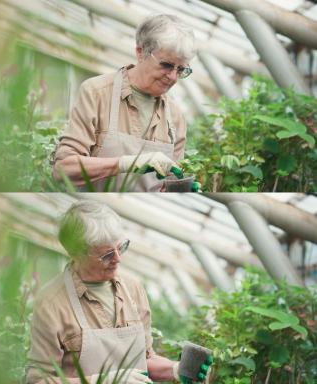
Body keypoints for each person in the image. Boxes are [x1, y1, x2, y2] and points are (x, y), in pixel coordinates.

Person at [26, 200, 211, 384]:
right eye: (106, 255)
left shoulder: (133, 289)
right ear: (76, 253)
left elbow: (145, 360)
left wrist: (175, 370)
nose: (118, 259)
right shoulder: (52, 303)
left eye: (121, 247)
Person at [53, 14, 195, 191]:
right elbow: (64, 169)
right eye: (166, 65)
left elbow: (168, 182)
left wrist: (181, 189)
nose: (173, 77)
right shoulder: (97, 93)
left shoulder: (175, 116)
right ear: (140, 52)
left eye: (181, 69)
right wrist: (125, 163)